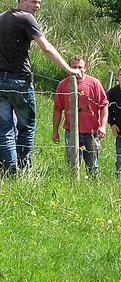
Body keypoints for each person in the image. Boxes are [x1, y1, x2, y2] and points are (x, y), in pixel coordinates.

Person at [0, 0, 81, 175]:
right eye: (33, 1)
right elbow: (46, 48)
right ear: (21, 1)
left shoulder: (2, 18)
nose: (37, 5)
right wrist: (68, 69)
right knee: (27, 126)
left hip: (0, 80)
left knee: (5, 128)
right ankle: (22, 169)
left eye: (39, 2)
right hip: (20, 81)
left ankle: (10, 171)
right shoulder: (26, 18)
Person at [52, 56, 108, 177]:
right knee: (72, 165)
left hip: (91, 132)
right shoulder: (63, 85)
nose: (77, 70)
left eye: (80, 67)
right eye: (74, 67)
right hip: (71, 132)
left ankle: (93, 188)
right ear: (68, 69)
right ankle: (73, 187)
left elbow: (104, 106)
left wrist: (103, 126)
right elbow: (57, 109)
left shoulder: (94, 83)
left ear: (85, 68)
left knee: (93, 166)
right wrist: (55, 131)